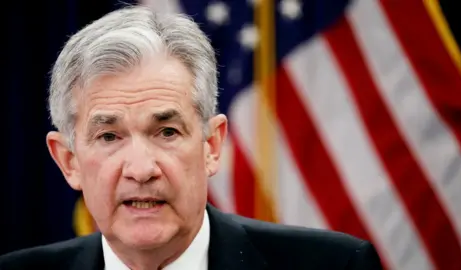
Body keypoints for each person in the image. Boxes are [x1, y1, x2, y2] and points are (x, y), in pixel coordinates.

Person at [0, 5, 383, 270]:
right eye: (109, 136)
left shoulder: (336, 265)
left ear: (211, 145)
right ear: (69, 161)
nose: (141, 169)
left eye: (167, 131)